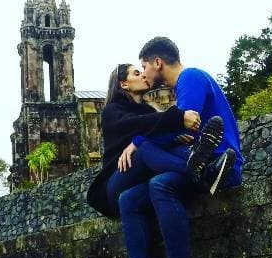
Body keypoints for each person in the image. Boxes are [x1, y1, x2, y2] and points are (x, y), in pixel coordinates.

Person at [96, 37, 244, 258]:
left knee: (160, 184)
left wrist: (139, 143)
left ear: (157, 63)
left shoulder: (190, 78)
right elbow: (173, 128)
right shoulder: (121, 109)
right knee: (129, 199)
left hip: (221, 165)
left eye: (144, 67)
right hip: (195, 165)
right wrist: (144, 140)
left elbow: (185, 125)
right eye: (136, 71)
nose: (145, 74)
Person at [86, 64, 201, 219]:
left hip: (138, 182)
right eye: (136, 73)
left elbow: (152, 129)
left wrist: (173, 137)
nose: (143, 75)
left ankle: (204, 161)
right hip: (116, 180)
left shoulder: (149, 111)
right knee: (144, 146)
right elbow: (136, 124)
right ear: (124, 84)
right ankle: (200, 172)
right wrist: (177, 118)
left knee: (131, 198)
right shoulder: (112, 111)